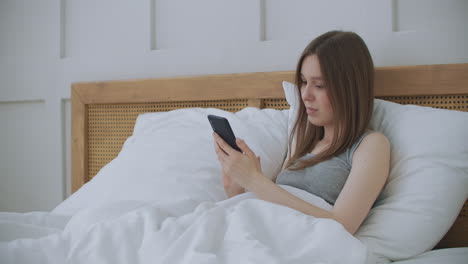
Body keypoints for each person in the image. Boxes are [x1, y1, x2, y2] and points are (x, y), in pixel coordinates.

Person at [212, 30, 390, 235]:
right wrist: (236, 188)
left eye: (320, 85)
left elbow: (343, 225)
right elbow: (275, 204)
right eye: (304, 82)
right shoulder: (304, 141)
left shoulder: (372, 145)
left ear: (349, 88)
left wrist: (255, 180)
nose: (305, 95)